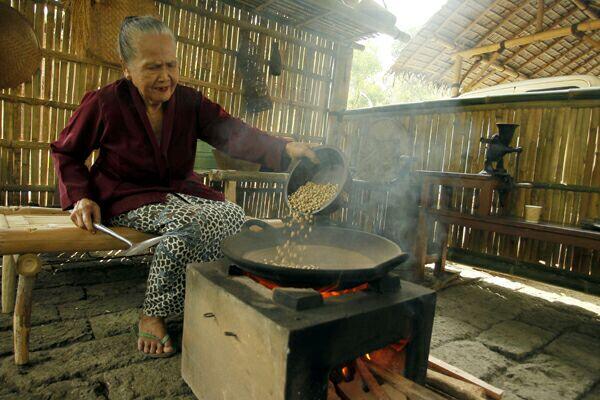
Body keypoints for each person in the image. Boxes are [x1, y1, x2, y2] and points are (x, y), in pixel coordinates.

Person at [51, 16, 317, 358]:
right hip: (127, 195)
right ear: (127, 68)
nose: (166, 77)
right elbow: (66, 151)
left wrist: (284, 148)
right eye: (152, 67)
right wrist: (81, 196)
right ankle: (153, 313)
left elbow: (232, 133)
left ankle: (202, 301)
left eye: (171, 64)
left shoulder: (190, 102)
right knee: (193, 222)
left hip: (181, 191)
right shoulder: (104, 103)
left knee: (233, 214)